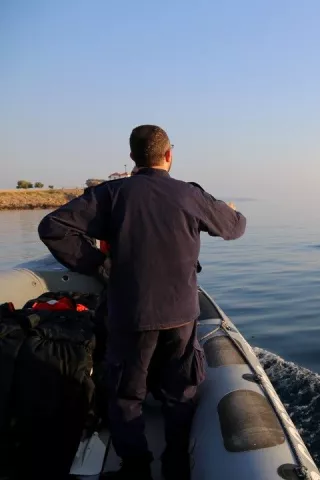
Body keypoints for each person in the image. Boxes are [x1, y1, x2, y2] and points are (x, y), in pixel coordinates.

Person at [38, 125, 246, 480]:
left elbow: (53, 226)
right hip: (180, 314)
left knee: (125, 396)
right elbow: (235, 227)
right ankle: (176, 465)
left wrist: (99, 265)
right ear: (169, 155)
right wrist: (227, 210)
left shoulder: (110, 195)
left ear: (133, 158)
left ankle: (136, 469)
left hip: (130, 314)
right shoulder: (189, 195)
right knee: (180, 393)